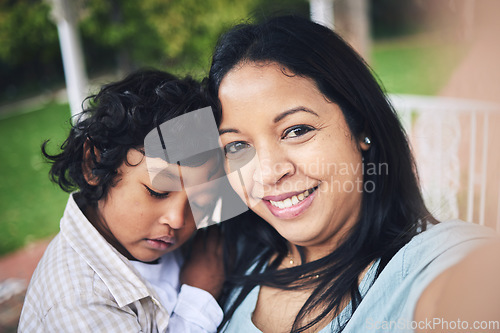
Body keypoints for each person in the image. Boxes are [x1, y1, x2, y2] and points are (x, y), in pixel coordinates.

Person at [207, 15, 500, 332]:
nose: (268, 173)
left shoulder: (430, 262)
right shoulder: (220, 259)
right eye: (236, 146)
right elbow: (154, 170)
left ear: (362, 127)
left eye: (296, 130)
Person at [19, 69, 225, 332]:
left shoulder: (179, 240)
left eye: (201, 200)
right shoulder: (79, 303)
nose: (177, 219)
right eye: (158, 192)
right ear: (93, 164)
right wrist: (198, 300)